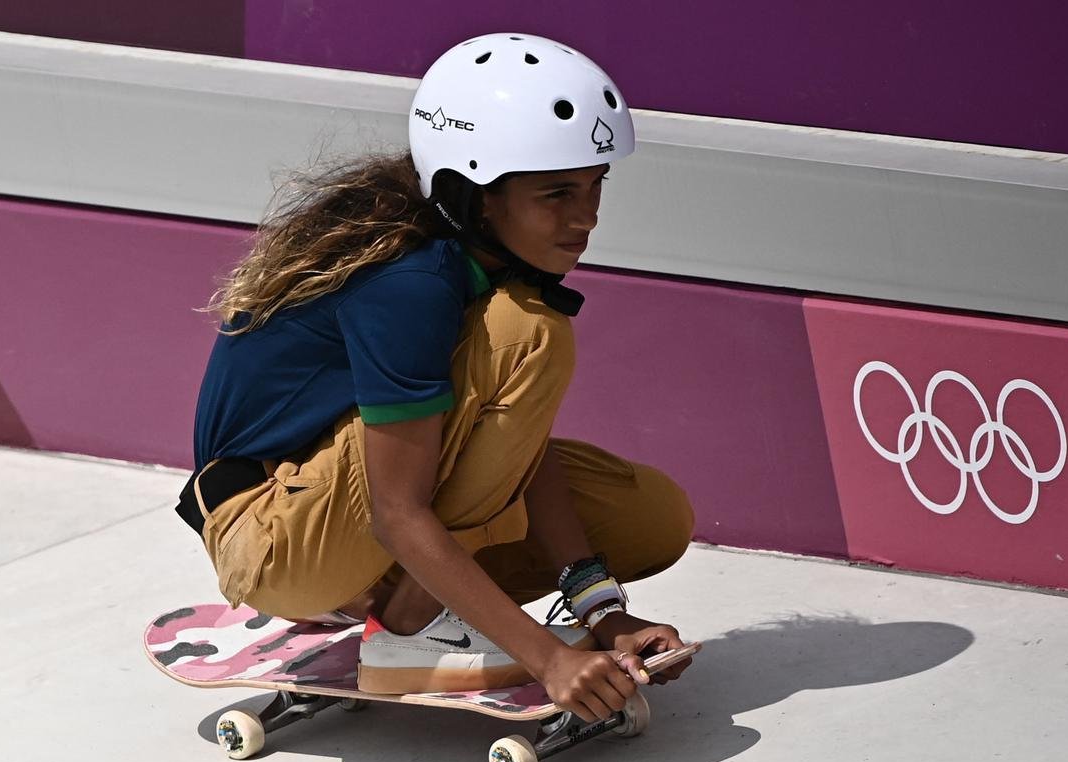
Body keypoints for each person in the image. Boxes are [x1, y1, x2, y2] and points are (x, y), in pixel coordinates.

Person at [175, 32, 694, 724]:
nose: (586, 215)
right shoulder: (411, 282)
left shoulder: (476, 254)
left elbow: (512, 449)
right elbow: (397, 512)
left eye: (596, 184)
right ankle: (408, 631)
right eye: (556, 193)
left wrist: (602, 611)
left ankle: (399, 600)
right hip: (277, 538)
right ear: (477, 195)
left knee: (650, 517)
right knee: (530, 332)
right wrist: (549, 659)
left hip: (342, 511)